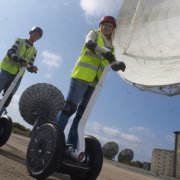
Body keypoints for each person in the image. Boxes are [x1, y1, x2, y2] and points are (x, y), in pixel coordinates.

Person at [55, 16, 126, 149]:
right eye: (105, 25)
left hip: (95, 83)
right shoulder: (93, 33)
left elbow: (112, 63)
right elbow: (89, 44)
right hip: (82, 75)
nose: (107, 27)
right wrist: (106, 52)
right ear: (100, 26)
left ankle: (71, 144)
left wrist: (118, 64)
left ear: (113, 29)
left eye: (110, 26)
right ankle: (55, 137)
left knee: (81, 116)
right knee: (69, 108)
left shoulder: (112, 47)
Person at [0, 27, 43, 115]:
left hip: (18, 77)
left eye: (38, 36)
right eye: (35, 33)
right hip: (7, 71)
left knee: (7, 98)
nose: (36, 36)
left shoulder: (34, 51)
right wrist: (18, 59)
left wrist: (32, 68)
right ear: (31, 33)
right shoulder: (20, 41)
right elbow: (11, 52)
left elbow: (30, 64)